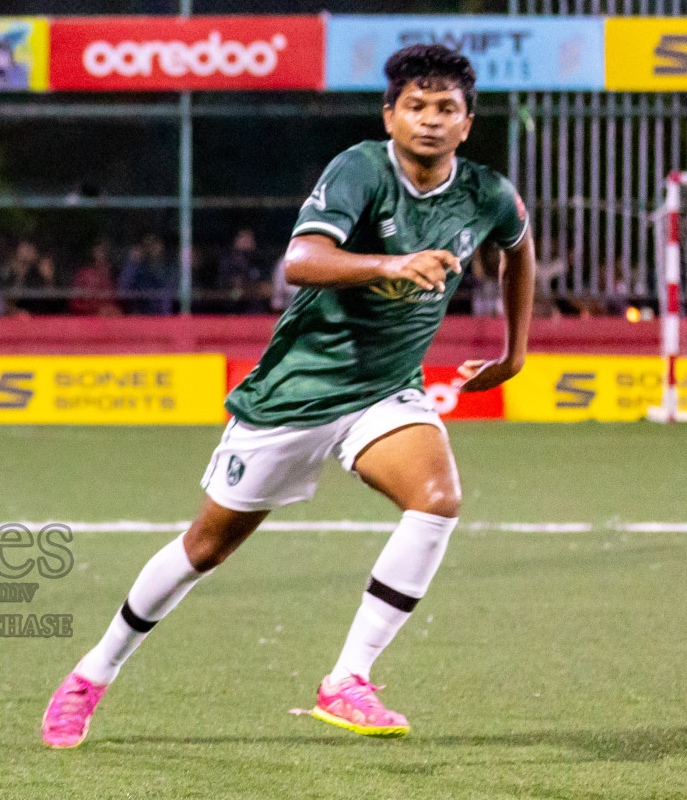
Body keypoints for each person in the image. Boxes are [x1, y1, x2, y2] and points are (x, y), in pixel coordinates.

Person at [42, 44, 535, 745]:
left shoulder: (486, 192)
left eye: (446, 109)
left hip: (386, 390)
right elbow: (300, 261)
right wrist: (391, 264)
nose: (430, 120)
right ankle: (94, 672)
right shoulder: (361, 170)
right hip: (296, 391)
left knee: (437, 498)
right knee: (206, 547)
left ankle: (347, 680)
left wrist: (516, 353)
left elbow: (519, 246)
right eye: (416, 106)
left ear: (467, 123)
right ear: (390, 114)